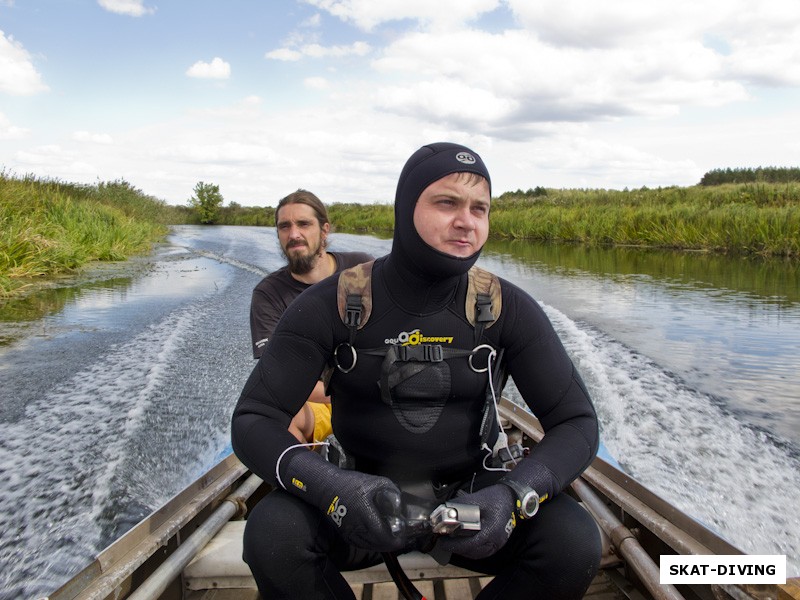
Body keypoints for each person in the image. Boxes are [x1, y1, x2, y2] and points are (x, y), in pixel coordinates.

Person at [232, 143, 602, 599]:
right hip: (355, 499)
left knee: (574, 542)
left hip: (474, 500)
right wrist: (333, 487)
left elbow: (577, 423)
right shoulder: (330, 304)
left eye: (480, 208)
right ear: (406, 208)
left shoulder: (508, 308)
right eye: (447, 202)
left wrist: (512, 496)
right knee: (272, 535)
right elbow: (254, 419)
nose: (467, 220)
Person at [249, 189, 372, 443]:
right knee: (275, 418)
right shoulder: (268, 294)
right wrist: (346, 395)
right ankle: (311, 478)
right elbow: (278, 376)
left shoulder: (361, 270)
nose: (294, 234)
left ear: (324, 230)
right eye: (284, 227)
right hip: (320, 402)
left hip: (377, 396)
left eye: (304, 224)